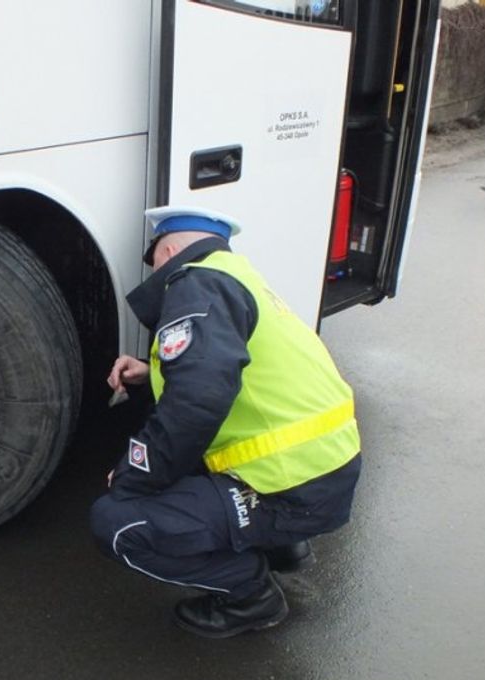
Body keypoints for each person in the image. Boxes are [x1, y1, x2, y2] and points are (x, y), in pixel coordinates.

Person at [89, 206, 362, 639]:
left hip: (292, 486)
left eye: (154, 259)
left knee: (118, 523)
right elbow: (232, 375)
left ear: (171, 250)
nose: (155, 271)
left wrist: (132, 476)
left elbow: (197, 402)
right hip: (322, 467)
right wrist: (149, 372)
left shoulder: (194, 282)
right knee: (185, 456)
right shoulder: (235, 276)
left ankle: (251, 597)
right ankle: (283, 545)